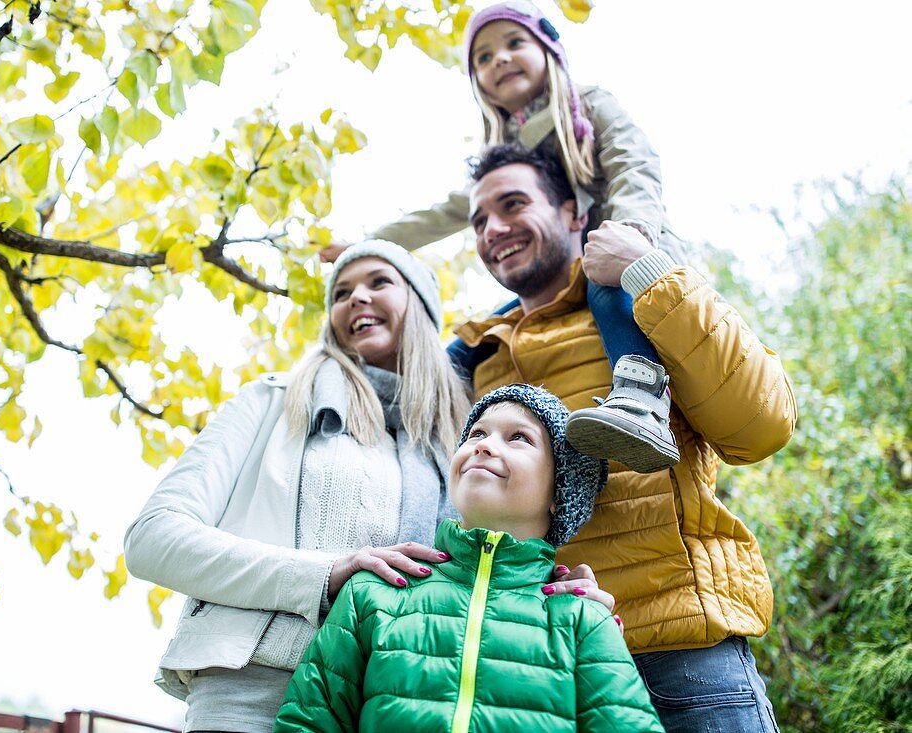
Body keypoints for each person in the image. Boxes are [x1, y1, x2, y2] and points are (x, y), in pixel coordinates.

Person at [123, 241, 609, 732]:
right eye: (341, 293)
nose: (356, 298)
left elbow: (481, 565)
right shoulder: (271, 402)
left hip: (395, 703)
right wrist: (325, 574)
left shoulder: (460, 438)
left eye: (379, 282)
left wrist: (552, 599)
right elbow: (152, 539)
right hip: (252, 694)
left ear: (420, 305)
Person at [460, 143, 796, 732]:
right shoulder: (478, 356)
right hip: (541, 669)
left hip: (681, 657)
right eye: (480, 220)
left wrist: (648, 269)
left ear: (572, 212)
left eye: (513, 204)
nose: (494, 229)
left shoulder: (637, 299)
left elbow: (760, 425)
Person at [328, 1, 685, 474]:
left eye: (514, 43)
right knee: (479, 338)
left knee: (604, 292)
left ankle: (642, 402)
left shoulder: (588, 105)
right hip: (558, 275)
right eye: (483, 57)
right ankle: (405, 411)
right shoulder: (503, 154)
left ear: (550, 50)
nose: (499, 59)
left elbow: (633, 163)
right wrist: (368, 244)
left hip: (621, 251)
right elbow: (447, 212)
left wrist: (632, 232)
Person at [274, 384, 664, 733]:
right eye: (477, 433)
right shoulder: (374, 591)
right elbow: (308, 721)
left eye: (518, 438)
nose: (484, 444)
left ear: (559, 492)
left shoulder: (583, 619)